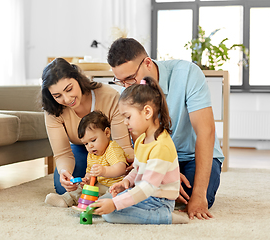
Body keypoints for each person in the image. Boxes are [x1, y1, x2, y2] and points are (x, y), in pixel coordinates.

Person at [106, 37, 224, 220]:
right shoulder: (130, 91)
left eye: (130, 78)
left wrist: (197, 195)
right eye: (121, 82)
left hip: (192, 156)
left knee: (193, 198)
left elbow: (206, 132)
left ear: (147, 63)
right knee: (128, 188)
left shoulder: (188, 74)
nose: (127, 87)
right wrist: (163, 175)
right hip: (157, 158)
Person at [91, 77, 188, 224]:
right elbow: (138, 169)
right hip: (144, 193)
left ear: (147, 112)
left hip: (158, 201)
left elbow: (148, 187)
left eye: (128, 117)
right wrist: (126, 182)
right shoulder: (142, 139)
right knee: (103, 201)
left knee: (111, 214)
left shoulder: (161, 146)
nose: (125, 122)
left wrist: (116, 204)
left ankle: (164, 216)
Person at [41, 58, 134, 195]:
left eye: (69, 89)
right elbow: (63, 154)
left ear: (78, 79)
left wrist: (132, 163)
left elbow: (122, 147)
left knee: (123, 179)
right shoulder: (53, 110)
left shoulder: (109, 96)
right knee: (65, 187)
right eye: (57, 95)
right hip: (81, 149)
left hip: (111, 149)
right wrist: (64, 172)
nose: (67, 99)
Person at [44, 110, 128, 207]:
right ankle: (66, 199)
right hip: (100, 185)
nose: (90, 146)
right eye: (86, 144)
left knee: (109, 197)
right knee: (82, 190)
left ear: (107, 133)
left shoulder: (112, 148)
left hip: (114, 187)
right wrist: (87, 179)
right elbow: (90, 172)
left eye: (93, 140)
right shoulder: (92, 154)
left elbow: (121, 168)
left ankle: (98, 205)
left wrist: (104, 171)